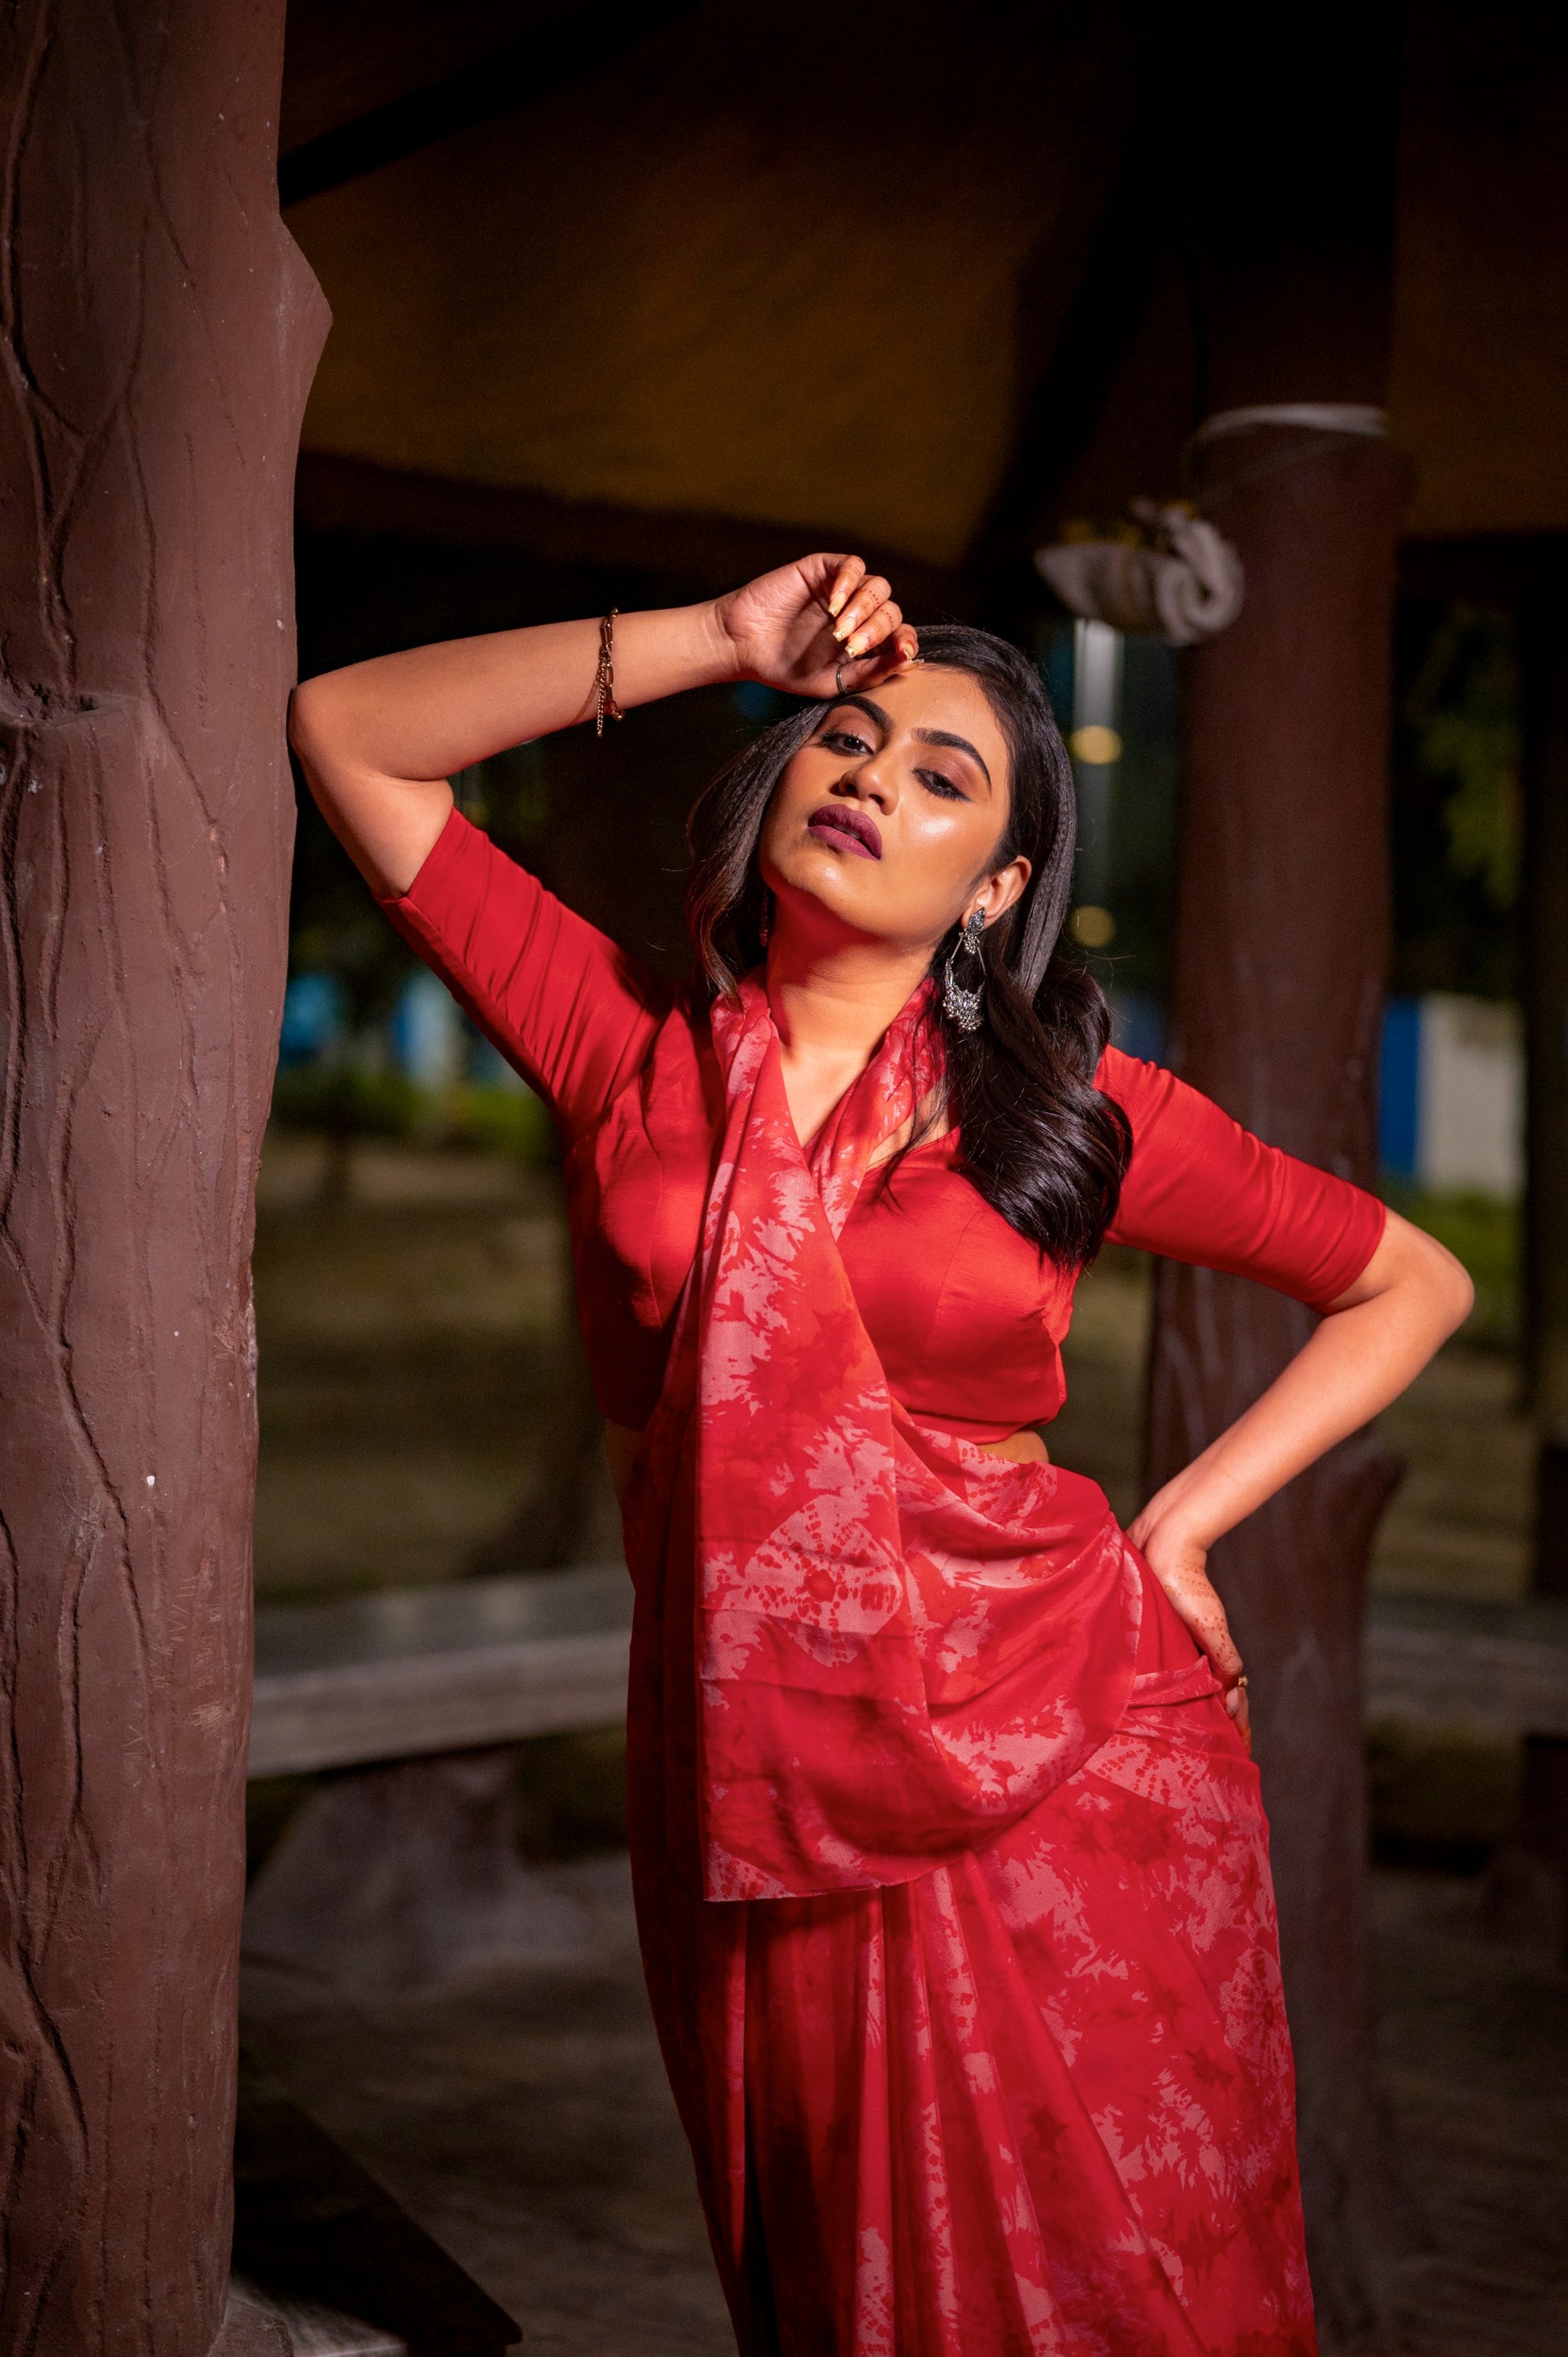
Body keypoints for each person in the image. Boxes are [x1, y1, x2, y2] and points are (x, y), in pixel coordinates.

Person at [289, 554, 1471, 2355]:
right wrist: (724, 644)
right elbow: (348, 733)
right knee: (843, 2260)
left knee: (1101, 2274)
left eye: (942, 777)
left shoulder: (1065, 1115)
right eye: (848, 738)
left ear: (998, 886)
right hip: (756, 1754)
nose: (871, 778)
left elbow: (1404, 1279)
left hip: (1059, 1740)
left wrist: (1178, 1528)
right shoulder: (631, 1054)